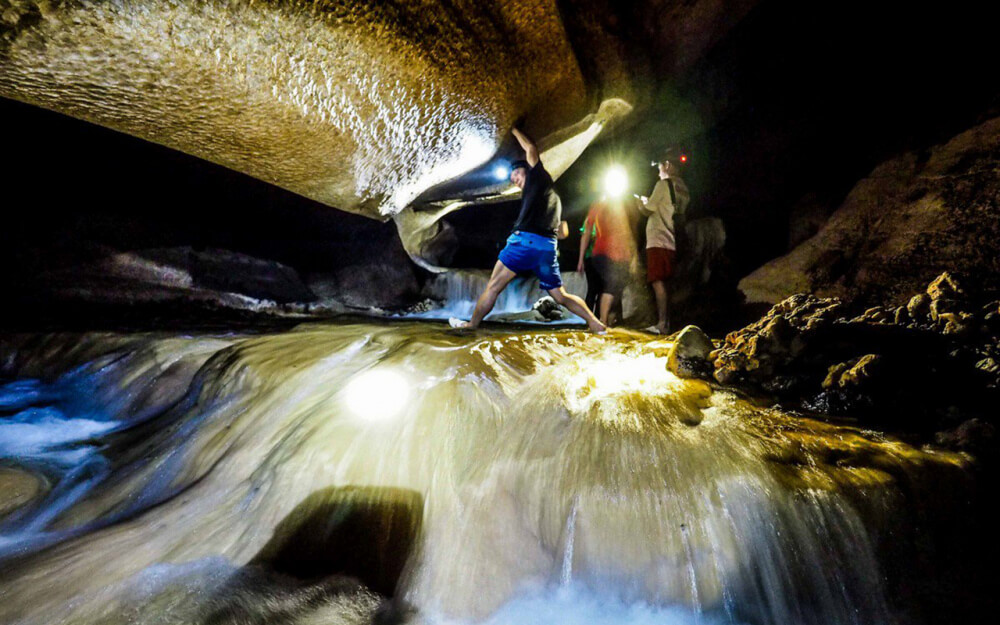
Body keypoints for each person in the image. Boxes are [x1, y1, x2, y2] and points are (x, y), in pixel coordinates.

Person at [449, 128, 607, 334]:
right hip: (547, 248)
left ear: (527, 170)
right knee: (560, 296)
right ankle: (596, 323)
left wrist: (514, 129)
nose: (514, 178)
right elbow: (563, 232)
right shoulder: (552, 198)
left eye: (516, 172)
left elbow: (531, 148)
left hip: (524, 242)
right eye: (512, 176)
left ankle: (471, 325)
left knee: (494, 286)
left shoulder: (537, 177)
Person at [638, 150, 690, 334]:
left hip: (658, 239)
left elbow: (648, 210)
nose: (658, 171)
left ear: (667, 165)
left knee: (657, 281)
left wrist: (639, 203)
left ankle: (662, 324)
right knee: (667, 282)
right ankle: (668, 323)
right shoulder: (683, 188)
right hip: (674, 240)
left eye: (660, 166)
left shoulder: (662, 184)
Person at [577, 197, 636, 326]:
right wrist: (581, 258)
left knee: (616, 288)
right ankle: (599, 322)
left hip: (621, 255)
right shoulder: (599, 204)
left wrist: (632, 257)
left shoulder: (624, 208)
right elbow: (587, 230)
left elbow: (628, 232)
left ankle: (609, 321)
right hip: (602, 253)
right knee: (604, 287)